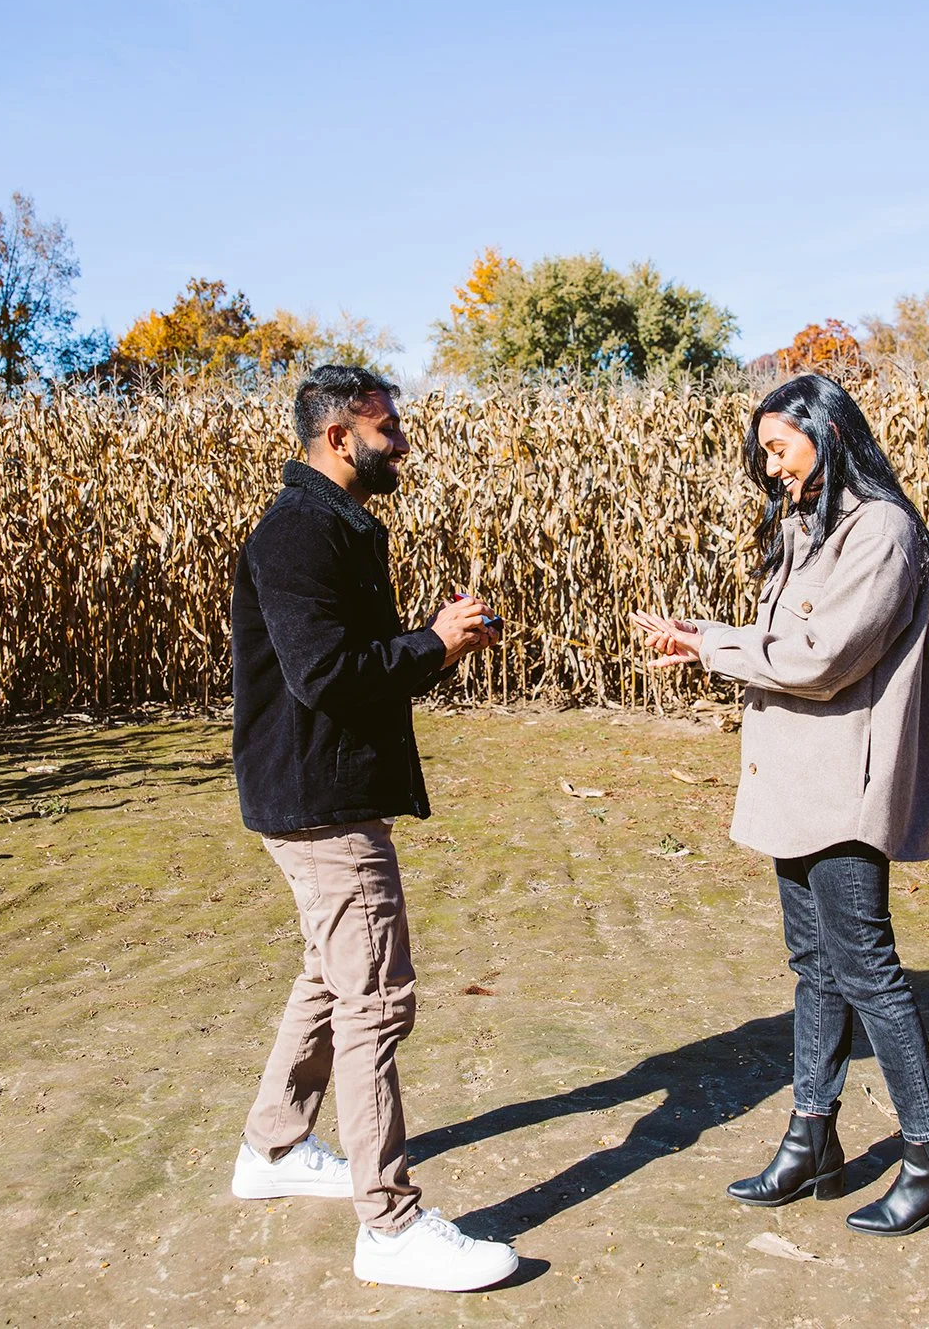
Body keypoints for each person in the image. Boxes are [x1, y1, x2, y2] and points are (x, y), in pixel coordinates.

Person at [631, 372, 929, 1236]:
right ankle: (812, 1139)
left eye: (780, 449)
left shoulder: (881, 531)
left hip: (844, 785)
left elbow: (820, 657)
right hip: (796, 781)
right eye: (766, 454)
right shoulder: (806, 526)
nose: (772, 467)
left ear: (829, 431)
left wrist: (715, 648)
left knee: (867, 970)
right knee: (814, 965)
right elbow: (784, 641)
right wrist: (707, 639)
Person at [228, 364, 518, 1291]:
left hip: (323, 789)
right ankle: (389, 1225)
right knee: (377, 998)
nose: (401, 441)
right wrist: (432, 641)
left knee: (331, 972)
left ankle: (273, 1146)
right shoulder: (297, 533)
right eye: (386, 428)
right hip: (319, 804)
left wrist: (439, 645)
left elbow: (355, 666)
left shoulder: (337, 525)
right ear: (338, 436)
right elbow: (325, 676)